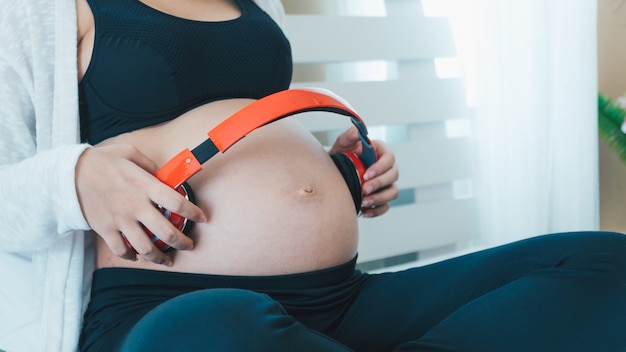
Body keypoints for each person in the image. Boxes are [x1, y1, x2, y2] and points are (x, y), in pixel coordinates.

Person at [1, 1, 626, 352]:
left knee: (607, 266)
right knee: (206, 329)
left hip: (340, 299)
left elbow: (249, 139)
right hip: (165, 311)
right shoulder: (43, 11)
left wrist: (337, 175)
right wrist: (76, 176)